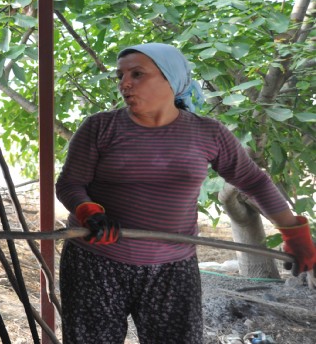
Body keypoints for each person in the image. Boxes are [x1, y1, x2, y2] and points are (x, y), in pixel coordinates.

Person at [55, 42, 316, 344]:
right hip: (96, 263)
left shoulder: (209, 133)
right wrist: (90, 213)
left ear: (170, 79)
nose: (124, 83)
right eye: (121, 75)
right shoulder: (100, 127)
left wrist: (294, 235)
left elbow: (253, 181)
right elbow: (70, 184)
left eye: (137, 74)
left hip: (173, 268)